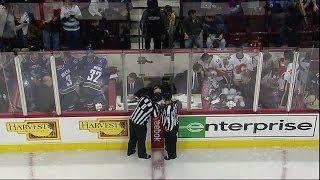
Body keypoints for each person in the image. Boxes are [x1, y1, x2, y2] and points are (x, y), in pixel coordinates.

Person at [127, 85, 162, 159]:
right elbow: (155, 118)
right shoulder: (154, 107)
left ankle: (130, 151)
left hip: (132, 120)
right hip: (140, 125)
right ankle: (142, 155)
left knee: (132, 138)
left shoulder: (143, 98)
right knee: (141, 140)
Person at [161, 84, 180, 160]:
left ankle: (171, 155)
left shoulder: (168, 108)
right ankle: (173, 154)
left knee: (169, 142)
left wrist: (167, 127)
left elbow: (169, 119)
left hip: (170, 128)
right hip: (175, 126)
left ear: (165, 99)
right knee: (173, 142)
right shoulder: (174, 104)